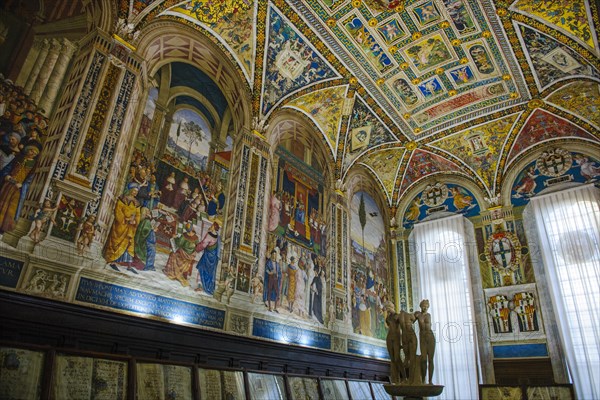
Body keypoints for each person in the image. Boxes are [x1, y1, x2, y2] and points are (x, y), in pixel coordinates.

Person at [0, 144, 39, 233]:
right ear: (28, 150)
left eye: (35, 153)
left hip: (17, 188)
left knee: (10, 208)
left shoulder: (34, 164)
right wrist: (6, 175)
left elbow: (30, 178)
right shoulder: (19, 158)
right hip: (8, 184)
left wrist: (22, 184)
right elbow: (8, 168)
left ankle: (2, 230)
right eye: (32, 151)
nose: (33, 153)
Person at [103, 183, 141, 274]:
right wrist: (125, 220)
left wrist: (135, 221)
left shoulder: (137, 203)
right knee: (116, 242)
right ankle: (112, 261)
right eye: (134, 191)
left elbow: (138, 215)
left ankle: (129, 265)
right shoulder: (122, 199)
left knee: (129, 245)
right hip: (121, 226)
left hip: (130, 228)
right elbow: (118, 211)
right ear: (130, 190)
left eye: (136, 191)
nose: (135, 193)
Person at [195, 222, 220, 295]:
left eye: (212, 225)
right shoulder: (218, 237)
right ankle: (209, 287)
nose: (211, 226)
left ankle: (201, 286)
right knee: (210, 273)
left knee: (201, 268)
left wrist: (196, 248)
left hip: (207, 256)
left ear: (214, 227)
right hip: (213, 258)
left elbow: (203, 244)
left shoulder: (209, 236)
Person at [415, 299, 435, 385]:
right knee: (423, 359)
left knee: (430, 359)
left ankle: (430, 381)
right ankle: (423, 379)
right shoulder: (418, 314)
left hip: (430, 337)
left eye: (427, 305)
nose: (425, 307)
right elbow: (410, 320)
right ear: (421, 306)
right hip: (422, 337)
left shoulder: (428, 315)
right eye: (424, 305)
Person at [132, 207, 157, 271]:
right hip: (144, 241)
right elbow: (144, 231)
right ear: (145, 213)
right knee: (152, 249)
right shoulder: (146, 221)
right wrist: (152, 229)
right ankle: (149, 266)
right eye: (148, 212)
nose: (149, 213)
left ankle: (149, 265)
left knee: (152, 248)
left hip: (144, 240)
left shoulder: (146, 220)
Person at [386, 307, 406, 384]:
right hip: (389, 337)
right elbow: (388, 324)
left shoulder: (397, 315)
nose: (387, 310)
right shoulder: (388, 317)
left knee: (397, 358)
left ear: (391, 307)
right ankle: (395, 379)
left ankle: (404, 378)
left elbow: (402, 325)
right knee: (392, 359)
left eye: (388, 308)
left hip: (397, 337)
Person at [400, 309, 418, 383]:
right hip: (409, 335)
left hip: (405, 335)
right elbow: (415, 318)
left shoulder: (399, 316)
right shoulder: (410, 315)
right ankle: (409, 379)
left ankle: (407, 379)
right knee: (410, 358)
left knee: (407, 358)